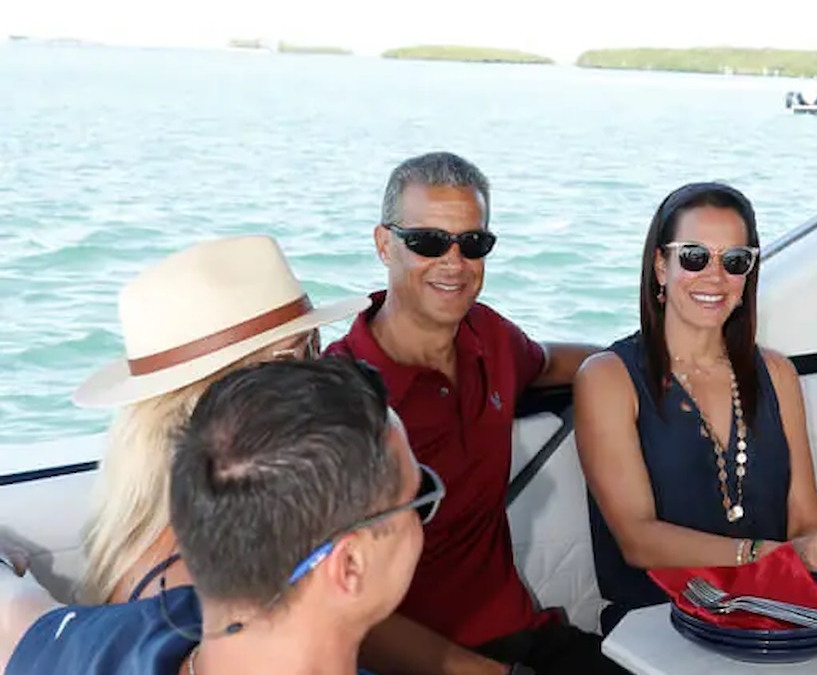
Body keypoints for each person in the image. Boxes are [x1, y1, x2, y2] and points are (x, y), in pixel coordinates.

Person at [326, 152, 604, 675]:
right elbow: (336, 605)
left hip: (519, 634)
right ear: (384, 244)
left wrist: (657, 364)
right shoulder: (339, 396)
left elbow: (554, 362)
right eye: (428, 242)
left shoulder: (489, 336)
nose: (453, 262)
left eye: (472, 243)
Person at [1, 357, 436, 674]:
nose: (421, 519)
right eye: (418, 499)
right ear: (350, 565)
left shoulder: (100, 644)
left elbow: (10, 611)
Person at [574, 182, 817, 632]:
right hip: (657, 626)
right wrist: (769, 554)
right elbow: (637, 539)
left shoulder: (777, 373)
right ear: (660, 265)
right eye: (694, 257)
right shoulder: (608, 378)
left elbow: (805, 520)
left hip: (772, 617)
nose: (715, 277)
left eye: (734, 261)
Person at [73, 236, 367, 604]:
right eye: (304, 352)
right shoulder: (204, 579)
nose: (319, 371)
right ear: (230, 393)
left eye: (317, 344)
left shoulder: (169, 528)